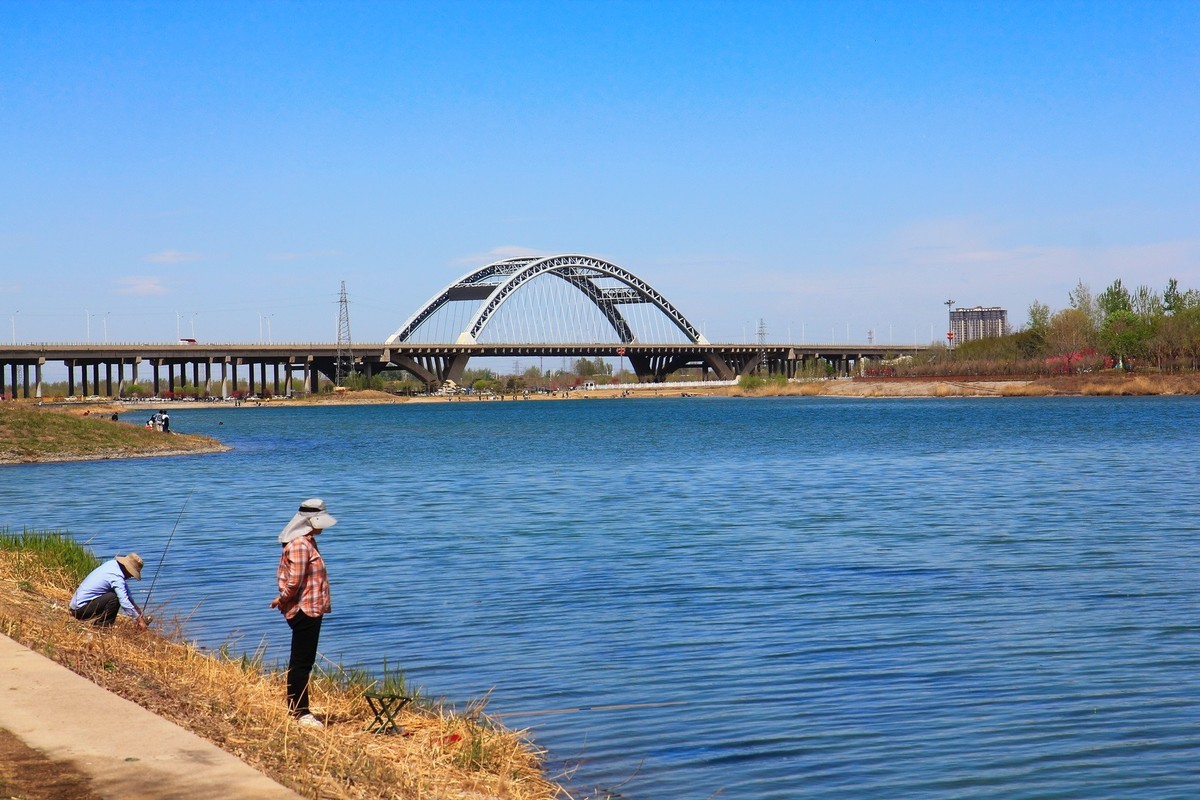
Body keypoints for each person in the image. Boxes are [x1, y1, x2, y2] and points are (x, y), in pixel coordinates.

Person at [269, 498, 337, 729]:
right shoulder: (300, 545)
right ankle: (300, 712)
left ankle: (298, 708)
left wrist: (284, 598)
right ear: (309, 522)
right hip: (304, 609)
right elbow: (295, 581)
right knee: (302, 662)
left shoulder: (307, 542)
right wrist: (283, 599)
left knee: (302, 661)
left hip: (311, 607)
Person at [69, 553, 149, 629]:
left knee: (115, 595)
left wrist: (135, 607)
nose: (131, 576)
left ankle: (100, 625)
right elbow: (124, 601)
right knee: (114, 598)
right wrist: (139, 620)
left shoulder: (113, 565)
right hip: (79, 610)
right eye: (132, 573)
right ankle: (101, 628)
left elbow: (125, 591)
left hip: (77, 606)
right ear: (127, 569)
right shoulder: (116, 577)